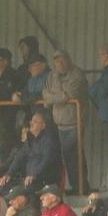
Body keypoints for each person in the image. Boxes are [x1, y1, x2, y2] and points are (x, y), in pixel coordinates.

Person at [0, 110, 61, 199]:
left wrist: (34, 175)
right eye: (31, 120)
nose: (31, 123)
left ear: (42, 126)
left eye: (35, 121)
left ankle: (32, 207)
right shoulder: (30, 140)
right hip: (29, 178)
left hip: (42, 180)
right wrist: (8, 174)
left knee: (29, 186)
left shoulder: (49, 139)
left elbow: (47, 160)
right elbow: (19, 158)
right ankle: (13, 207)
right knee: (4, 185)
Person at [42, 50, 89, 194]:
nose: (60, 64)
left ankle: (80, 187)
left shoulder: (77, 74)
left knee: (73, 155)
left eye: (62, 60)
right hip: (58, 123)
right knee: (61, 155)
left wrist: (51, 99)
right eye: (57, 61)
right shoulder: (52, 75)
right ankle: (73, 187)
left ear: (68, 60)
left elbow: (69, 95)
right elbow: (45, 92)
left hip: (74, 122)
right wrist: (56, 97)